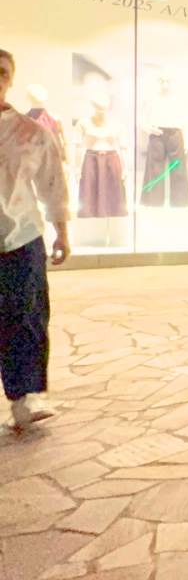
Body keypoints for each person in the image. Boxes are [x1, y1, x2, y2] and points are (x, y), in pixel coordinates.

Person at [0, 48, 71, 430]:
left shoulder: (32, 133)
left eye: (2, 72)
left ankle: (27, 396)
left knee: (26, 317)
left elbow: (52, 184)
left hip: (21, 237)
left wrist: (62, 230)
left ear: (11, 80)